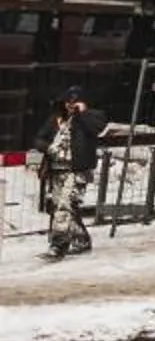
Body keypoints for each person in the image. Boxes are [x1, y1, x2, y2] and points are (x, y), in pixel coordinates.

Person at [35, 87, 105, 259]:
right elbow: (39, 138)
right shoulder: (56, 119)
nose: (70, 105)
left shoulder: (93, 116)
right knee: (63, 207)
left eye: (74, 102)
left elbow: (97, 128)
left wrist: (83, 113)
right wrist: (49, 147)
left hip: (77, 170)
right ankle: (81, 240)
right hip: (57, 170)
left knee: (64, 206)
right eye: (68, 102)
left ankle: (58, 246)